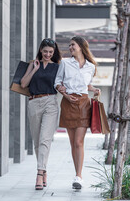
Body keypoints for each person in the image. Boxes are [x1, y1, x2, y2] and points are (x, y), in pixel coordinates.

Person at [54, 36, 101, 190]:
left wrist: (94, 89)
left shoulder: (91, 66)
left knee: (79, 142)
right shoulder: (65, 63)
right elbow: (57, 82)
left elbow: (86, 84)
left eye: (73, 45)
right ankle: (76, 173)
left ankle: (78, 176)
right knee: (72, 142)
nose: (70, 47)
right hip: (68, 102)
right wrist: (64, 93)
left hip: (83, 104)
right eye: (70, 45)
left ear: (81, 46)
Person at [21, 38, 61, 190]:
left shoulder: (57, 67)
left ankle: (39, 173)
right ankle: (43, 170)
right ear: (40, 50)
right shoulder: (33, 64)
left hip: (50, 102)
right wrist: (34, 70)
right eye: (45, 51)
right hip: (33, 102)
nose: (48, 54)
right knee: (37, 141)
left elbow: (60, 85)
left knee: (45, 139)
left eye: (51, 52)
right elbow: (24, 84)